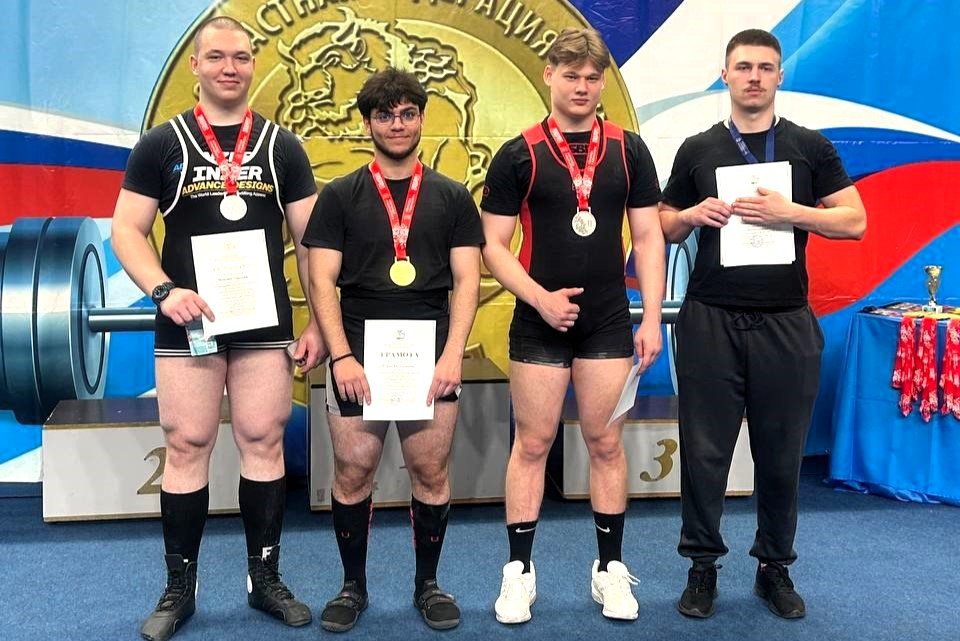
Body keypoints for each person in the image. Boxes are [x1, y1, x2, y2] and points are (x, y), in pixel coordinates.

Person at [111, 17, 324, 641]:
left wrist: (318, 320)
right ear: (196, 66)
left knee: (263, 439)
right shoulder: (162, 145)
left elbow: (312, 245)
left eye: (241, 57)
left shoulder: (283, 147)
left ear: (253, 64)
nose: (230, 67)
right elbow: (127, 230)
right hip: (189, 323)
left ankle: (265, 579)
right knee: (187, 443)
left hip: (263, 324)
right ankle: (181, 587)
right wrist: (163, 290)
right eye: (217, 57)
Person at [659, 28, 866, 620]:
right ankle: (702, 566)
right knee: (704, 453)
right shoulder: (698, 148)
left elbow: (854, 221)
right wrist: (692, 214)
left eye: (765, 67)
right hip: (710, 319)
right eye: (744, 66)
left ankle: (774, 567)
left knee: (780, 454)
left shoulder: (808, 147)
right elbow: (664, 224)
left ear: (779, 76)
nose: (754, 77)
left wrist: (791, 212)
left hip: (785, 322)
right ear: (725, 74)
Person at [480, 28, 665, 624]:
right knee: (532, 444)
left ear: (602, 81)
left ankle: (609, 569)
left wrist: (652, 317)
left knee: (605, 444)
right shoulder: (519, 153)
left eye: (591, 77)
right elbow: (493, 245)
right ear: (549, 76)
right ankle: (519, 572)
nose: (581, 87)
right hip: (539, 321)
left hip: (608, 321)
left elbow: (648, 236)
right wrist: (539, 299)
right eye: (570, 75)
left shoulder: (629, 150)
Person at [303, 67, 483, 632]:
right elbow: (321, 280)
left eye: (407, 113)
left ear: (422, 118)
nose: (397, 124)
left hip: (431, 356)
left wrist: (453, 354)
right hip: (357, 352)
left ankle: (428, 585)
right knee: (353, 471)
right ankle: (352, 587)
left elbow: (467, 281)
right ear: (368, 124)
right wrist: (341, 357)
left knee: (430, 469)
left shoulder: (453, 196)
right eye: (385, 115)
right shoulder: (339, 196)